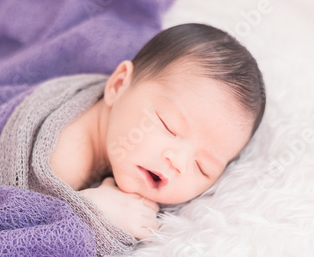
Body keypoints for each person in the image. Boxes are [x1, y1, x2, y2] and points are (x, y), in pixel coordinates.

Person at [48, 23, 266, 240]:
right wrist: (91, 213)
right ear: (118, 85)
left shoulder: (123, 130)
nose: (178, 162)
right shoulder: (61, 159)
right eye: (169, 127)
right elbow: (26, 231)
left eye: (203, 167)